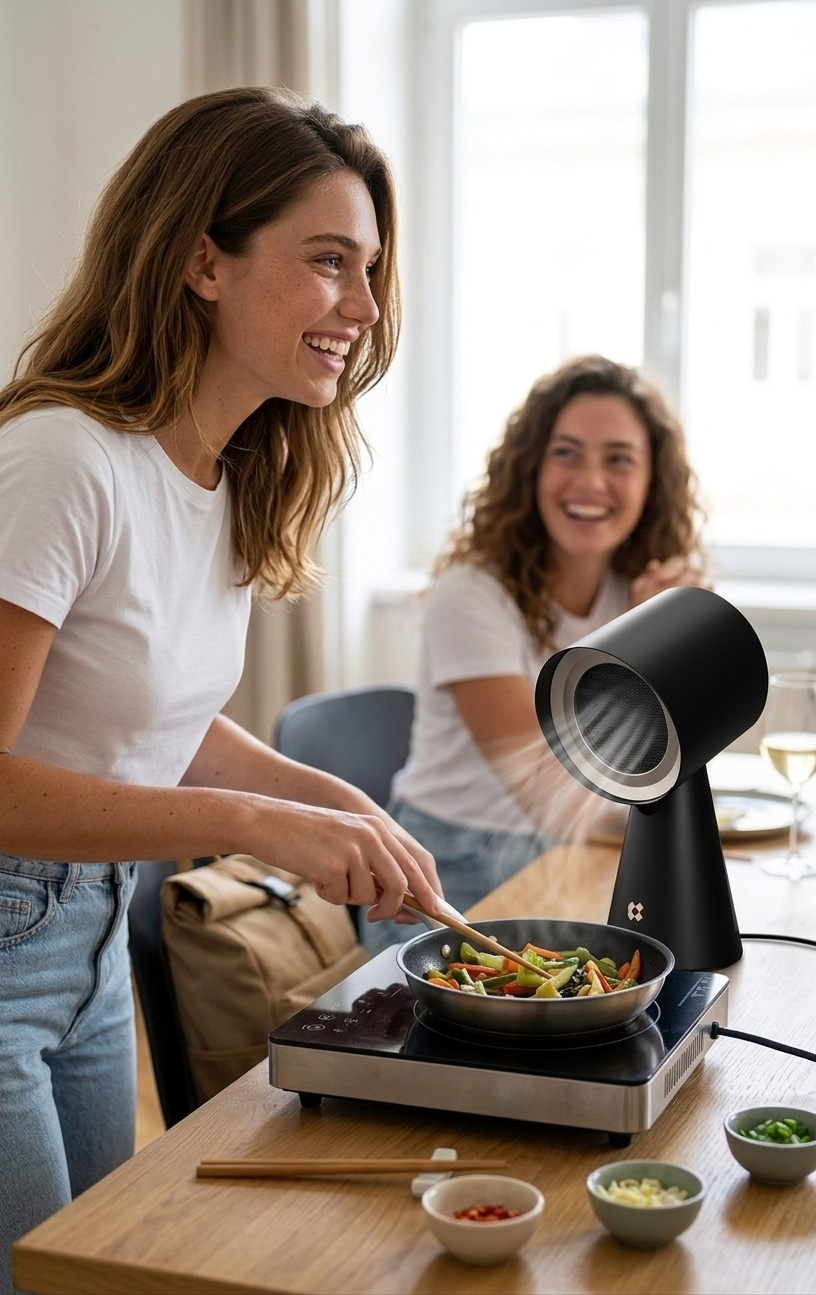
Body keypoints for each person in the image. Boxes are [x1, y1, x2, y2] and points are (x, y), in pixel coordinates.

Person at [0, 87, 442, 1290]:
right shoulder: (61, 459)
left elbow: (148, 712)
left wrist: (335, 803)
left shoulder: (216, 471)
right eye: (328, 264)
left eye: (370, 270)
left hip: (83, 937)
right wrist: (257, 825)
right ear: (204, 261)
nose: (361, 306)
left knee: (105, 1269)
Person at [365, 356, 704, 953]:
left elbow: (673, 767)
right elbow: (553, 795)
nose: (590, 481)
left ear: (652, 482)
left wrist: (675, 636)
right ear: (531, 468)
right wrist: (650, 657)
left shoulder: (638, 591)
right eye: (566, 452)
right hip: (453, 864)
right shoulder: (470, 594)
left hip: (577, 853)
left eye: (619, 459)